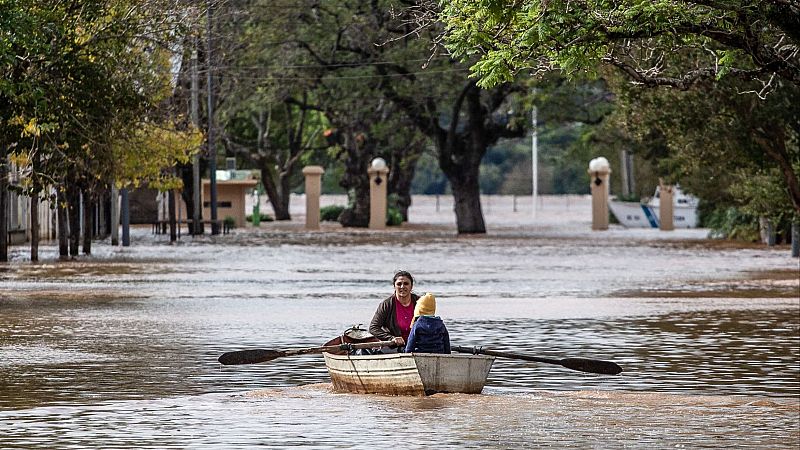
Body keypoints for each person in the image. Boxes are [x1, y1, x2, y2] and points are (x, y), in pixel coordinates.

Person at [369, 270, 419, 351]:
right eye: (399, 284)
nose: (402, 286)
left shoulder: (420, 302)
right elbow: (373, 328)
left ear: (411, 286)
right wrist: (391, 338)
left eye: (406, 283)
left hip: (416, 345)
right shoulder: (387, 304)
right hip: (394, 347)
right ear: (394, 286)